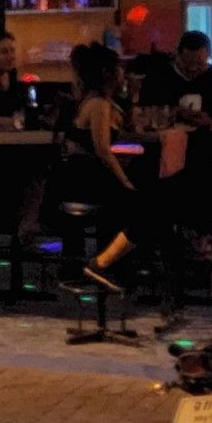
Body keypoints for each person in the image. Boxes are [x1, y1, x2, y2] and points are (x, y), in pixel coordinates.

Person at [54, 42, 156, 291]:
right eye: (119, 68)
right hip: (86, 179)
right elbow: (103, 149)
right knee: (146, 208)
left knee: (141, 203)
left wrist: (132, 98)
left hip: (84, 176)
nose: (124, 72)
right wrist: (124, 181)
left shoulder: (98, 101)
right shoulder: (98, 104)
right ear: (107, 73)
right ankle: (102, 264)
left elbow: (128, 129)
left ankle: (112, 264)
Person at [137, 30, 212, 128]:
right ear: (177, 55)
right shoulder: (157, 79)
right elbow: (141, 115)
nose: (192, 68)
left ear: (209, 56)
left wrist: (211, 123)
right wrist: (175, 112)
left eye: (199, 64)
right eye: (187, 63)